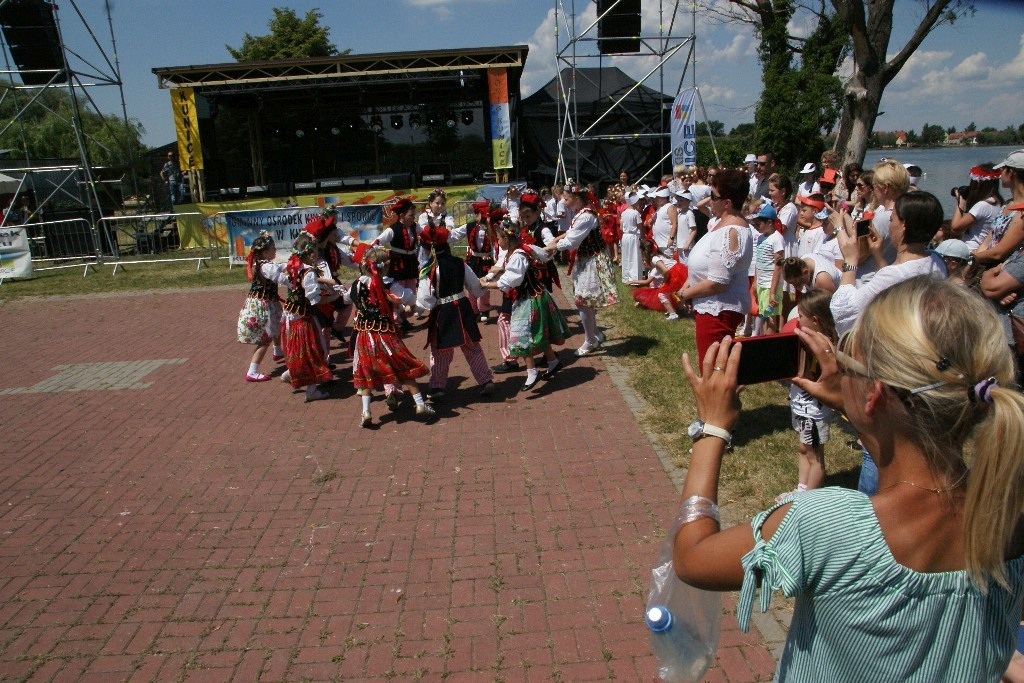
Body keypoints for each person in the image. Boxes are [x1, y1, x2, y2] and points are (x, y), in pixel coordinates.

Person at [672, 275, 1024, 682]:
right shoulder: (1009, 514)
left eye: (848, 364)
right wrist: (856, 401)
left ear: (875, 393)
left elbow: (692, 557)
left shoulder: (829, 525)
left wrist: (712, 428)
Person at [348, 245, 435, 427]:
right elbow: (411, 299)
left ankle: (366, 411)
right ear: (386, 267)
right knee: (403, 366)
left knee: (366, 370)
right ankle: (420, 404)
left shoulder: (357, 284)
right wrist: (411, 308)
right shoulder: (391, 285)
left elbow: (346, 299)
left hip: (364, 335)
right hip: (385, 334)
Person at [483, 218, 570, 390]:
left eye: (498, 239)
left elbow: (511, 281)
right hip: (535, 295)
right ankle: (553, 361)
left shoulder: (518, 255)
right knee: (538, 332)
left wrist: (486, 285)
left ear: (506, 239)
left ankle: (532, 371)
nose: (497, 242)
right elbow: (546, 254)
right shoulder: (523, 249)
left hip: (530, 299)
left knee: (521, 335)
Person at [678, 168, 753, 365]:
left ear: (727, 203)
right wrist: (690, 287)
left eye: (713, 196)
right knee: (713, 368)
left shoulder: (731, 231)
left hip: (718, 312)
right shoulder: (722, 224)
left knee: (713, 370)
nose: (710, 200)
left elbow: (718, 283)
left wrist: (684, 294)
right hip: (710, 308)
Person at [417, 223, 495, 400]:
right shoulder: (460, 263)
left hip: (443, 312)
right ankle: (486, 380)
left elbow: (425, 298)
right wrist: (484, 284)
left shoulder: (429, 269)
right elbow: (475, 287)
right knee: (472, 347)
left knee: (440, 351)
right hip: (463, 308)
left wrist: (417, 307)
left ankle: (437, 386)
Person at [546, 183, 619, 356]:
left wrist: (550, 247)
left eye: (566, 199)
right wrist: (556, 239)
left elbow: (572, 241)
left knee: (583, 301)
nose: (564, 202)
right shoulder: (582, 213)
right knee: (584, 300)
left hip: (592, 260)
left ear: (576, 199)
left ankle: (590, 340)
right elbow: (571, 232)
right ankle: (595, 334)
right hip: (586, 259)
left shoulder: (586, 216)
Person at [778, 288, 836, 500]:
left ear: (815, 320)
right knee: (804, 449)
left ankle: (808, 499)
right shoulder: (806, 339)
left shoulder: (823, 346)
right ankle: (802, 489)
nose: (796, 320)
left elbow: (821, 376)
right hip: (801, 404)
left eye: (800, 316)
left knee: (814, 456)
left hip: (813, 409)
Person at [281, 233, 337, 403]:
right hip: (303, 318)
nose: (317, 254)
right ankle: (311, 390)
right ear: (310, 253)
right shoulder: (309, 272)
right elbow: (315, 300)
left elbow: (296, 285)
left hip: (291, 315)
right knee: (313, 350)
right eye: (315, 251)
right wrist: (335, 296)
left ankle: (290, 373)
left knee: (298, 349)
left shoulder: (293, 266)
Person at [236, 230, 286, 382]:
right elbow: (280, 277)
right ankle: (252, 371)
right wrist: (298, 280)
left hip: (267, 302)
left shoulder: (262, 263)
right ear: (265, 252)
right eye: (273, 248)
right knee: (265, 338)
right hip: (263, 305)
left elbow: (279, 267)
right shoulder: (266, 267)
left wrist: (292, 265)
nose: (275, 250)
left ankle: (278, 351)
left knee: (277, 324)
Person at [629, 238, 688, 319]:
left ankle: (673, 314)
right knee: (670, 292)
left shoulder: (654, 259)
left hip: (674, 273)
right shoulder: (659, 256)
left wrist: (665, 281)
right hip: (677, 270)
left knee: (662, 294)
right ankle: (678, 308)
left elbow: (665, 270)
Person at [950, 164, 1003, 251]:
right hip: (983, 248)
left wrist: (960, 203)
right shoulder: (998, 202)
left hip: (971, 249)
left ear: (978, 184)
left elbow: (955, 228)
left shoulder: (982, 205)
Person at [751, 204, 784, 335]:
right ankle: (764, 337)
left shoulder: (777, 239)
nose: (755, 226)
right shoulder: (761, 237)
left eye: (758, 224)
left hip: (770, 285)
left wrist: (772, 292)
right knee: (764, 314)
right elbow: (758, 262)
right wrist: (755, 282)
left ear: (769, 222)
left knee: (770, 318)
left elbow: (778, 266)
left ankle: (770, 341)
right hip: (761, 284)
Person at [463, 200, 497, 324]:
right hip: (473, 259)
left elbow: (497, 242)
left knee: (485, 284)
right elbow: (455, 235)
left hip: (486, 259)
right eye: (478, 214)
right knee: (471, 284)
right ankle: (473, 310)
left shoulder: (492, 227)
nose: (480, 218)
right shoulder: (470, 226)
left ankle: (484, 309)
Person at [619, 191, 644, 282]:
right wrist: (642, 236)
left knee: (626, 256)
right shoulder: (636, 213)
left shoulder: (623, 213)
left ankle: (626, 277)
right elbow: (640, 226)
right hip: (633, 236)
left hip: (625, 236)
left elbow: (621, 227)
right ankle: (634, 278)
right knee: (634, 255)